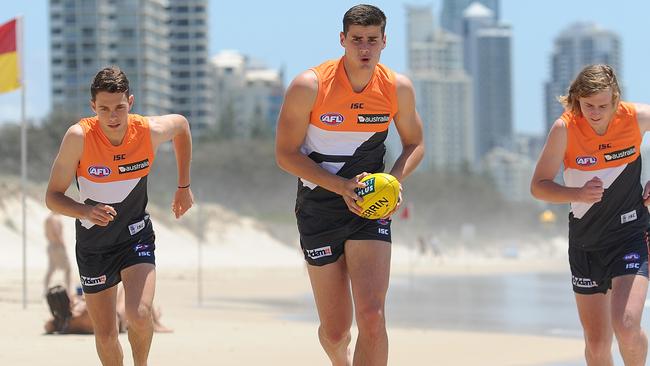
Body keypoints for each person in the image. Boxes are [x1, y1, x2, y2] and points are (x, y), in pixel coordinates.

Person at [275, 5, 424, 365]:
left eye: (372, 40)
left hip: (369, 207)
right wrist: (341, 186)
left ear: (384, 42)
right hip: (318, 208)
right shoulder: (310, 85)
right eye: (356, 39)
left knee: (372, 316)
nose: (364, 48)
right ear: (342, 40)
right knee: (336, 331)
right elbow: (285, 155)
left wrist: (393, 181)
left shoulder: (396, 87)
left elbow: (415, 143)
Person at [45, 66, 193, 365]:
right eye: (104, 109)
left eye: (119, 108)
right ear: (92, 107)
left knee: (138, 315)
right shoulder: (79, 138)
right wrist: (85, 210)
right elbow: (52, 198)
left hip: (135, 236)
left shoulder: (148, 131)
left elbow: (182, 126)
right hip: (93, 246)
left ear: (131, 102)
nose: (112, 117)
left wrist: (184, 186)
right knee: (106, 336)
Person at [531, 64, 649, 365]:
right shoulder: (565, 128)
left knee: (626, 324)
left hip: (630, 235)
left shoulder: (636, 117)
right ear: (576, 100)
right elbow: (538, 186)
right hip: (586, 244)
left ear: (616, 99)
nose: (595, 113)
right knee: (597, 347)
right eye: (588, 106)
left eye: (602, 106)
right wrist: (577, 194)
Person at [45, 285, 172, 335]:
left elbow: (47, 327)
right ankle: (157, 324)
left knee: (133, 297)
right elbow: (99, 304)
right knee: (132, 289)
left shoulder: (59, 322)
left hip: (116, 320)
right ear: (66, 301)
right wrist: (82, 299)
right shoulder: (82, 311)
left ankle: (155, 318)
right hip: (119, 319)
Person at [44, 211, 72, 295]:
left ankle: (46, 288)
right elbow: (56, 233)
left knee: (51, 268)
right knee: (68, 268)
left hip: (51, 245)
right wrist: (62, 244)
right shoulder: (55, 219)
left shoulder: (48, 219)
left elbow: (46, 234)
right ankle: (68, 289)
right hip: (57, 246)